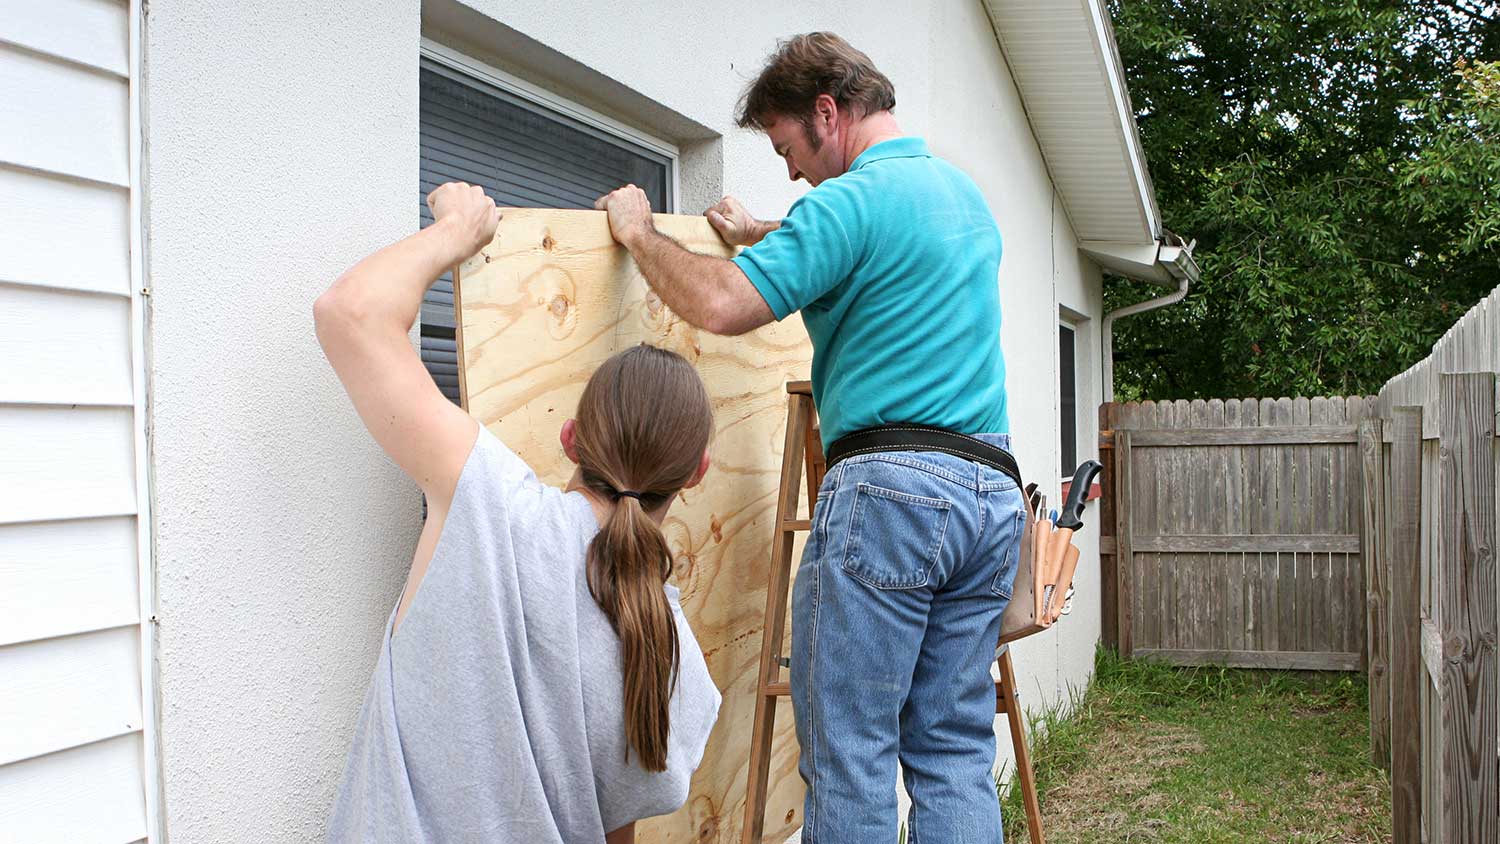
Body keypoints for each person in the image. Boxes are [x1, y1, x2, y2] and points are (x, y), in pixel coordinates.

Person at [594, 31, 1024, 843]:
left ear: (827, 112)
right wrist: (766, 232)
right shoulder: (959, 196)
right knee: (953, 750)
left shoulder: (849, 204)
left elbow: (723, 306)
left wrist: (641, 234)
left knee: (852, 751)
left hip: (895, 496)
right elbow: (873, 257)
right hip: (991, 499)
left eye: (789, 146)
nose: (791, 168)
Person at [317, 181, 721, 843]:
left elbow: (348, 313)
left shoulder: (490, 505)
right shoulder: (671, 650)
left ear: (569, 438)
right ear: (698, 474)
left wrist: (457, 231)